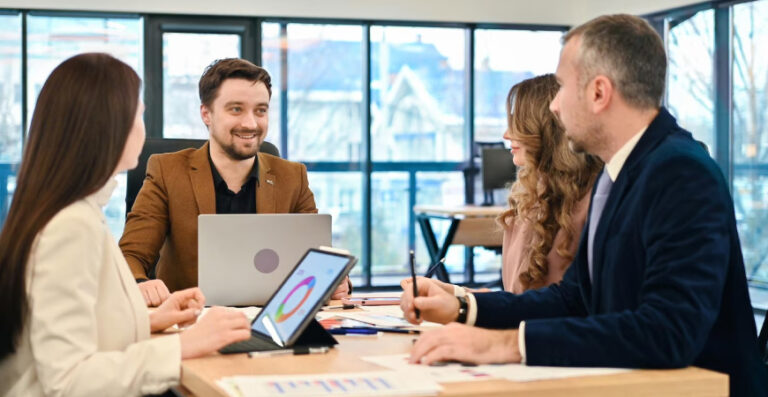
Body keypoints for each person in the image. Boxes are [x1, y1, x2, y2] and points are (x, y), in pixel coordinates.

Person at [400, 14, 768, 396]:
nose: (554, 106)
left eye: (561, 87)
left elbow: (667, 331)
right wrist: (463, 308)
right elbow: (574, 299)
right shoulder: (618, 173)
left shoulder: (680, 172)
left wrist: (505, 345)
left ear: (598, 93)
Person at [0, 53, 251, 396]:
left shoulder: (72, 210)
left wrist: (148, 319)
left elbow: (77, 330)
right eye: (138, 115)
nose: (142, 128)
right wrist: (183, 346)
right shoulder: (70, 226)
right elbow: (68, 381)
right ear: (108, 127)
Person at [119, 58, 351, 306]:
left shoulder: (292, 177)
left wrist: (335, 282)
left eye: (260, 110)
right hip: (193, 319)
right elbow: (130, 256)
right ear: (206, 114)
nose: (251, 123)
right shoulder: (168, 171)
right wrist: (141, 283)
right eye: (236, 109)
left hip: (271, 319)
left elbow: (317, 263)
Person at [409, 74, 601, 297]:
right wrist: (455, 294)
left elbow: (544, 306)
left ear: (545, 128)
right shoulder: (527, 201)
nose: (506, 134)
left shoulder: (592, 204)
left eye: (517, 125)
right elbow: (516, 302)